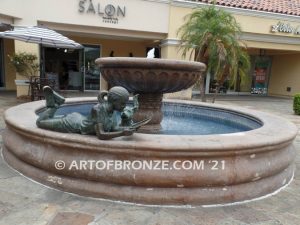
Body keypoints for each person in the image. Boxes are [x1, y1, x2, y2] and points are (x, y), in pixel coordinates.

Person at [36, 86, 144, 140]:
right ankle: (55, 105)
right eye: (123, 104)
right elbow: (101, 134)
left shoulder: (113, 112)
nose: (124, 106)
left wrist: (130, 128)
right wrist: (122, 133)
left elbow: (112, 128)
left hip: (78, 118)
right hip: (72, 124)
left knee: (48, 120)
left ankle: (55, 102)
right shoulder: (98, 110)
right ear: (114, 101)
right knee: (40, 122)